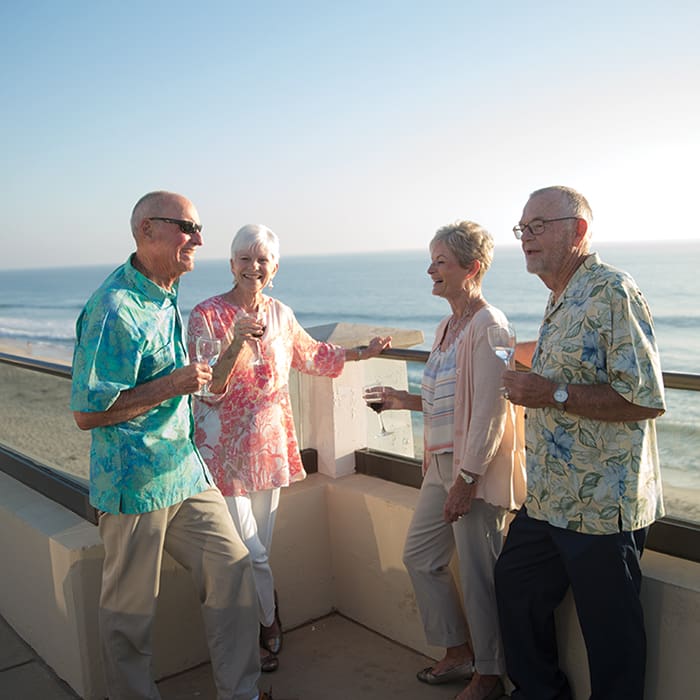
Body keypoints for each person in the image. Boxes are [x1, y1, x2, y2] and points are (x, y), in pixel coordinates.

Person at [71, 191, 267, 700]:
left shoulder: (164, 291)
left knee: (233, 567)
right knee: (129, 619)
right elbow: (87, 412)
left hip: (183, 470)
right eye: (187, 227)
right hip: (134, 485)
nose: (199, 239)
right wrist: (170, 385)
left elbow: (192, 383)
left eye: (199, 228)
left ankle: (240, 693)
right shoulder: (114, 308)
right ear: (147, 231)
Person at [186, 223, 391, 672]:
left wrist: (362, 352)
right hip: (221, 451)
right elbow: (209, 387)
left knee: (259, 549)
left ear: (274, 268)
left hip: (270, 447)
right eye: (244, 258)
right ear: (231, 264)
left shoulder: (281, 313)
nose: (252, 267)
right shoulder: (206, 315)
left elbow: (313, 355)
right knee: (247, 551)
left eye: (262, 260)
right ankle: (266, 621)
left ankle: (260, 619)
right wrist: (238, 337)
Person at [495, 185, 666, 700]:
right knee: (514, 586)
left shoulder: (613, 290)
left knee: (612, 642)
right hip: (549, 499)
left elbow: (645, 398)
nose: (526, 238)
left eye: (538, 226)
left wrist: (550, 393)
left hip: (600, 509)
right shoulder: (560, 295)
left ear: (579, 230)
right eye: (522, 228)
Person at [369, 220, 526, 700]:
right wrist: (405, 400)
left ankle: (490, 674)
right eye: (433, 260)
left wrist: (467, 480)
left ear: (471, 268)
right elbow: (453, 399)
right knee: (421, 557)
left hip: (470, 470)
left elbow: (490, 410)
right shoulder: (446, 325)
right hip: (440, 465)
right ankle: (458, 652)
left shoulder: (490, 325)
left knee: (480, 575)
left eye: (440, 261)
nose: (430, 269)